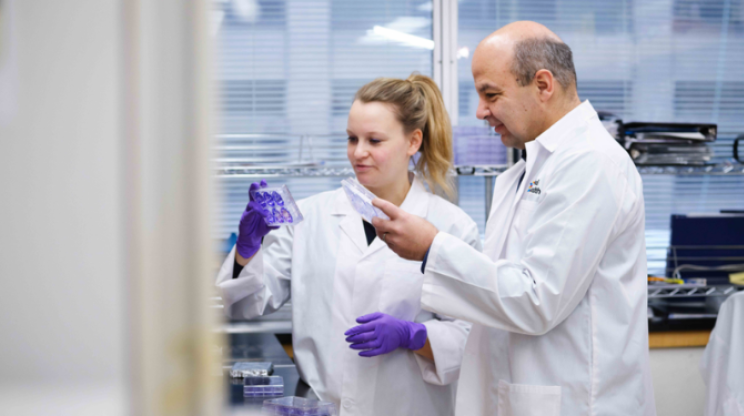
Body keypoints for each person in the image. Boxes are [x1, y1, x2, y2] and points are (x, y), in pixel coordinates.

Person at [370, 21, 657, 416]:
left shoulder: (592, 162)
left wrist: (431, 247)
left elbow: (537, 299)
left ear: (543, 85)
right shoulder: (525, 171)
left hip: (575, 401)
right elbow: (504, 286)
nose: (480, 111)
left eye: (491, 94)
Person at [215, 74, 481, 416]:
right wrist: (248, 249)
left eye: (374, 140)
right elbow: (245, 304)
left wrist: (413, 335)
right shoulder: (311, 217)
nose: (358, 153)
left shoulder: (452, 226)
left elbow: (471, 339)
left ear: (413, 141)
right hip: (324, 408)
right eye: (351, 138)